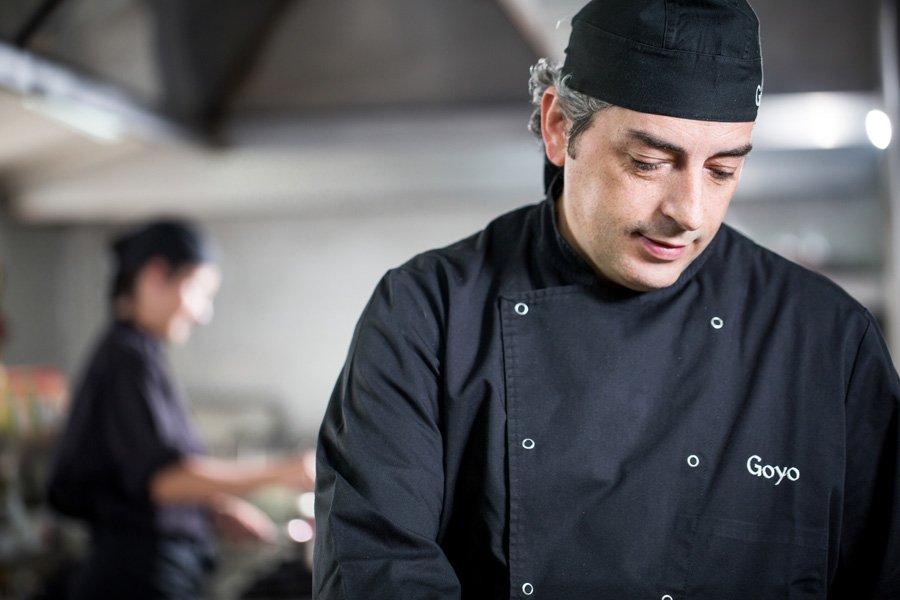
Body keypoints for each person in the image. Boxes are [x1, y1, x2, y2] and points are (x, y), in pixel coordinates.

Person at [315, 0, 900, 598]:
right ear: (558, 128)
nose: (689, 215)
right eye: (649, 163)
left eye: (723, 170)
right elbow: (378, 572)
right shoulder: (427, 314)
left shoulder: (827, 341)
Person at [47, 220, 314, 599]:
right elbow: (164, 479)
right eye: (199, 291)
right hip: (135, 576)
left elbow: (149, 471)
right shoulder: (127, 359)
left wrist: (216, 507)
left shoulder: (140, 355)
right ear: (157, 275)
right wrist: (283, 471)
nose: (202, 312)